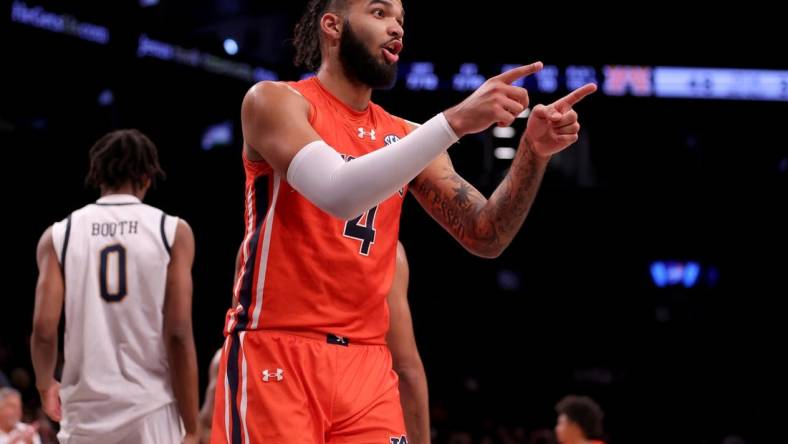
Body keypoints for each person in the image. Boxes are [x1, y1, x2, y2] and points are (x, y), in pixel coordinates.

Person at [212, 0, 595, 442]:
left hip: (368, 366)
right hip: (278, 350)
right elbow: (339, 192)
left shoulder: (410, 136)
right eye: (379, 13)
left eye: (400, 19)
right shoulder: (276, 101)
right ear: (332, 26)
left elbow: (484, 235)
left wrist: (532, 153)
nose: (396, 27)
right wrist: (454, 121)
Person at [30, 129, 200, 443]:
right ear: (148, 177)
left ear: (97, 176)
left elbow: (43, 329)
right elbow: (178, 332)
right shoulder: (172, 230)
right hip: (152, 408)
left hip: (85, 413)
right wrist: (192, 425)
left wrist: (44, 383)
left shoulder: (58, 235)